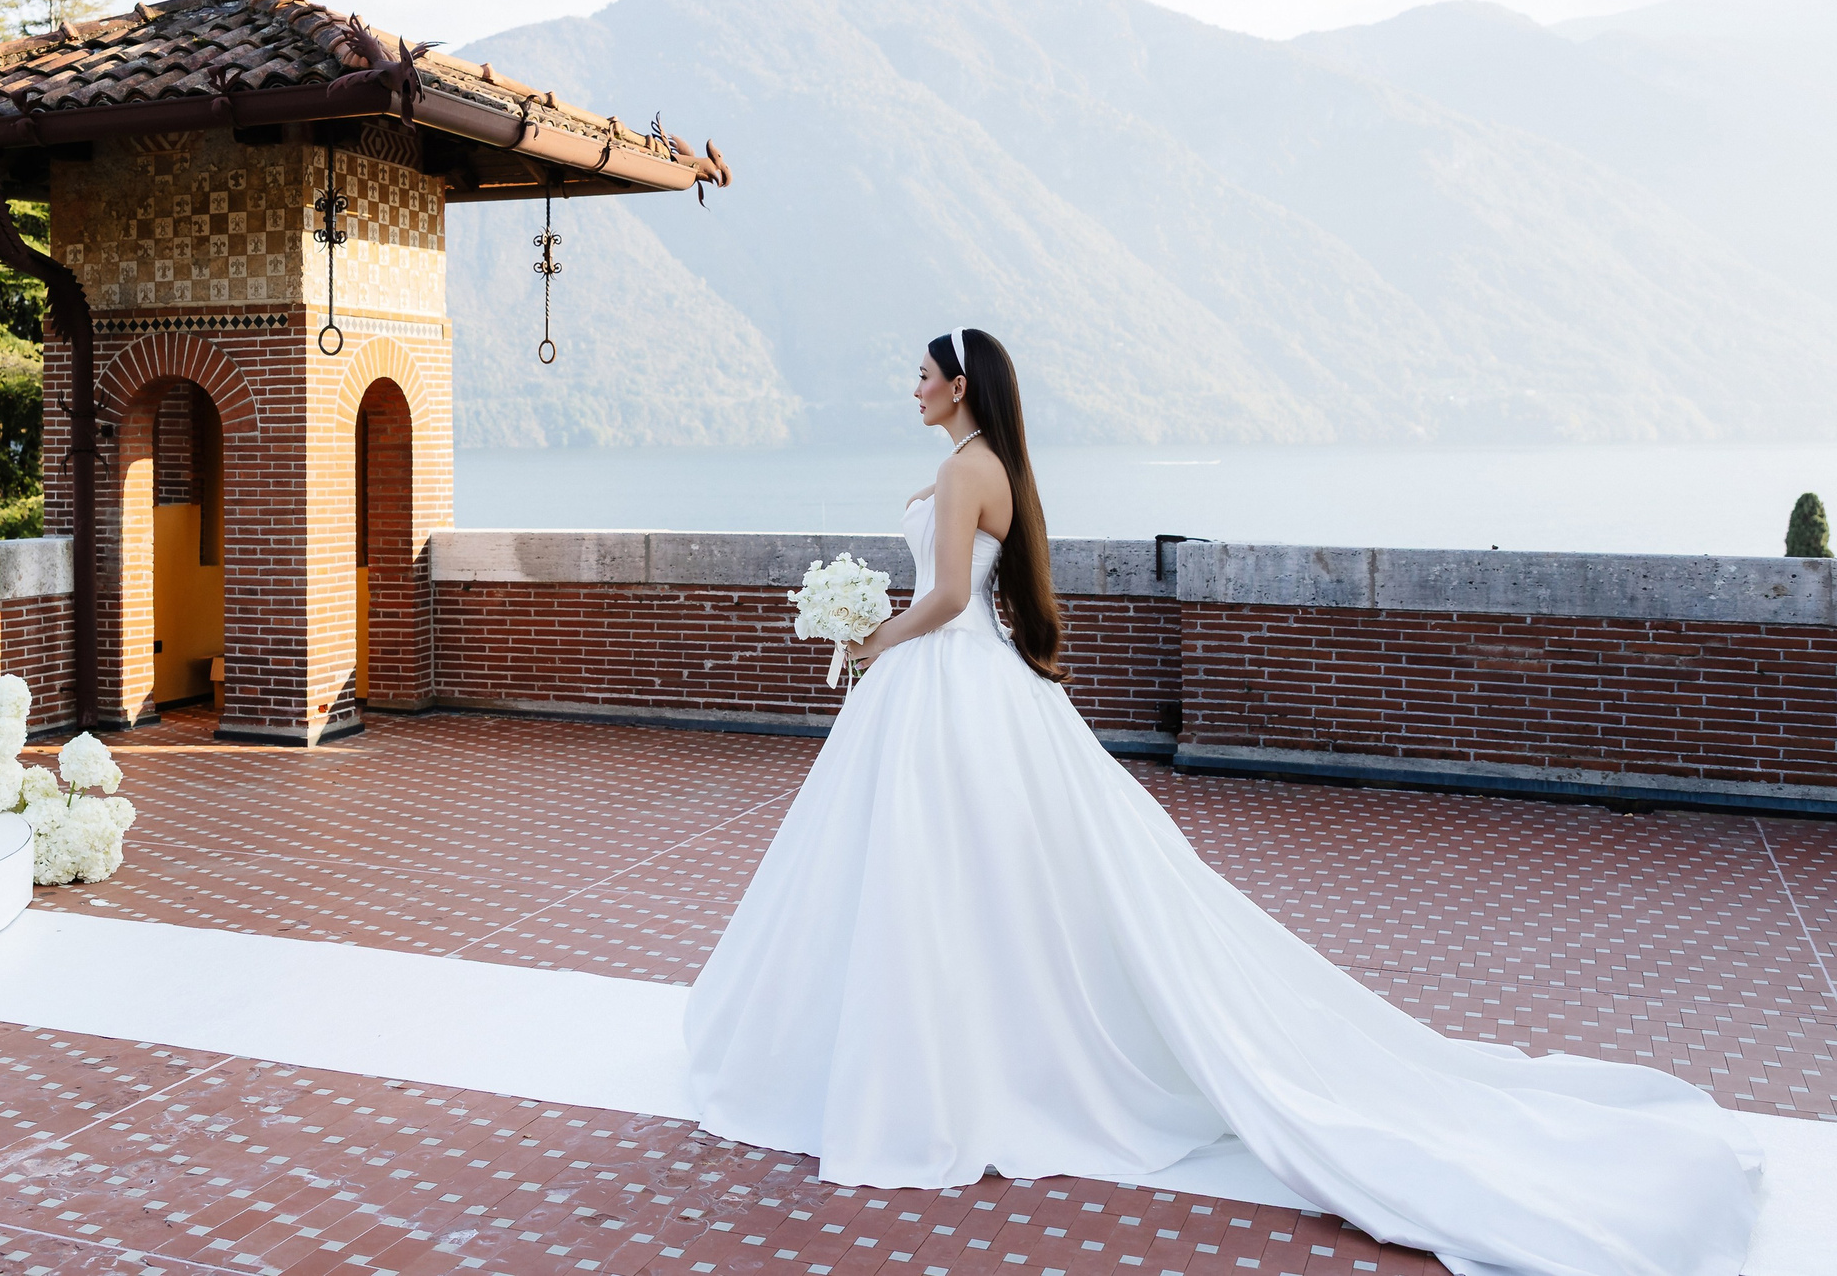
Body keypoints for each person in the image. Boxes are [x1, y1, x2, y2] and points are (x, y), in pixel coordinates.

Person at [683, 328, 1760, 1276]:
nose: (911, 387)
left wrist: (871, 635)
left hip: (947, 677)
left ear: (960, 386)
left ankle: (942, 1064)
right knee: (967, 871)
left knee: (934, 870)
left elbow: (954, 594)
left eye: (922, 375)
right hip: (965, 682)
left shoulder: (966, 468)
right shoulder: (989, 465)